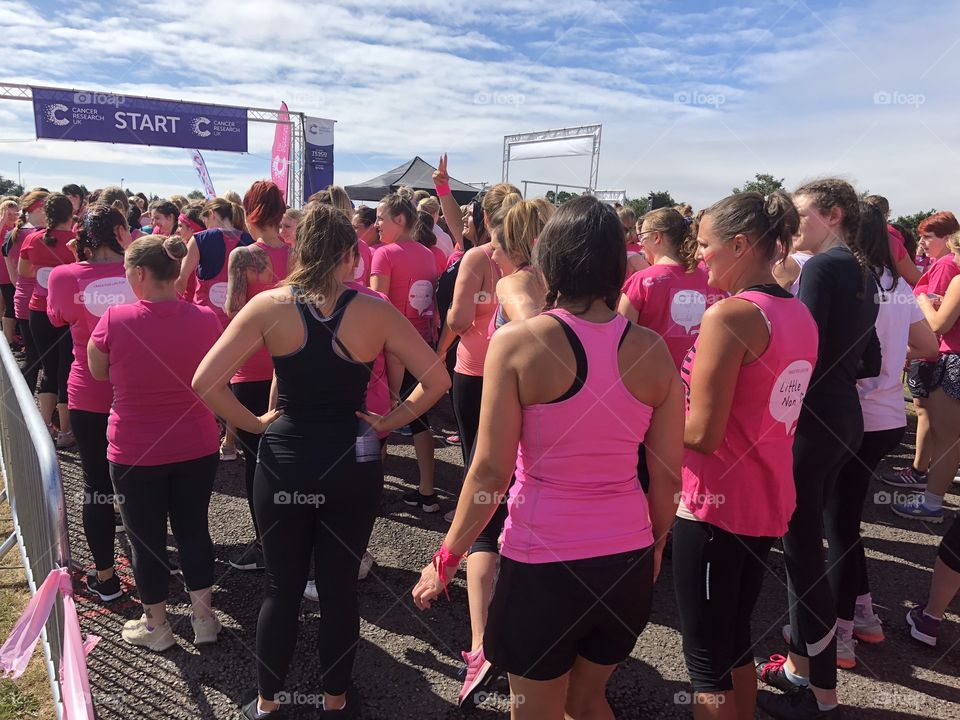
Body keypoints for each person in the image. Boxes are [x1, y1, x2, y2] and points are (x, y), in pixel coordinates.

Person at [413, 195, 682, 720]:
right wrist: (653, 547)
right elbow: (668, 476)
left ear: (550, 258)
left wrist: (447, 558)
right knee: (586, 701)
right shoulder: (653, 351)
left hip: (543, 563)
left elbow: (489, 473)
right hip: (625, 561)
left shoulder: (518, 344)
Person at [192, 202, 449, 718]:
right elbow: (437, 379)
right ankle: (335, 702)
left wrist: (254, 425)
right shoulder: (375, 309)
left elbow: (205, 382)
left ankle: (267, 703)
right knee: (338, 590)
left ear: (300, 251)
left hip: (285, 458)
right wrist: (389, 421)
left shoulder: (269, 305)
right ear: (351, 254)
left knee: (281, 588)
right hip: (351, 461)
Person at [674, 191, 818, 720]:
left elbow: (702, 433)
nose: (698, 255)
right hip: (765, 494)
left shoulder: (730, 315)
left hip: (716, 502)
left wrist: (638, 419)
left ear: (739, 245)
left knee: (704, 657)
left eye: (705, 244)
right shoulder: (798, 312)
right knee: (733, 637)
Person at [756, 179, 880, 720]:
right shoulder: (865, 270)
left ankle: (820, 694)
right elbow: (872, 359)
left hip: (810, 421)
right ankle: (801, 671)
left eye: (802, 213)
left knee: (802, 554)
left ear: (832, 215)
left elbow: (797, 348)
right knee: (805, 546)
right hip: (844, 416)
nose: (793, 223)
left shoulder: (824, 268)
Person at [87, 235, 223, 652]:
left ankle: (156, 625)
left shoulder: (115, 319)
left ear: (141, 273)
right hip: (196, 443)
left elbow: (97, 371)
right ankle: (204, 618)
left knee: (144, 538)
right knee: (194, 529)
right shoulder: (206, 318)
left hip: (136, 448)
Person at [824, 203, 937, 667]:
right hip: (889, 417)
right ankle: (865, 613)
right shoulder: (899, 286)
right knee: (846, 520)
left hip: (853, 415)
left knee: (838, 525)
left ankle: (840, 634)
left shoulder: (848, 282)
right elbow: (927, 345)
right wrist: (892, 360)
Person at [454, 198, 548, 710]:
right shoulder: (561, 284)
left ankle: (481, 645)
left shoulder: (519, 287)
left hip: (512, 416)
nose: (491, 252)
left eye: (497, 243)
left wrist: (444, 557)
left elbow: (531, 336)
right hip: (548, 428)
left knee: (486, 515)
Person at [47, 204, 137, 602]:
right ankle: (156, 564)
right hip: (139, 392)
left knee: (97, 485)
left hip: (89, 393)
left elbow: (56, 317)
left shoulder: (66, 276)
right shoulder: (143, 270)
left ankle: (106, 578)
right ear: (120, 232)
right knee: (144, 481)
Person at [224, 181, 292, 571]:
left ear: (250, 212)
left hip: (252, 367)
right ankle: (291, 536)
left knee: (256, 459)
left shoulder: (244, 256)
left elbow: (235, 311)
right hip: (291, 364)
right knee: (288, 455)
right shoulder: (298, 253)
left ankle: (266, 543)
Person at [370, 193, 442, 512]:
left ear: (399, 220)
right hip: (421, 346)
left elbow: (376, 306)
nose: (377, 224)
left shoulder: (384, 254)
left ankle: (371, 491)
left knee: (380, 417)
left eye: (381, 218)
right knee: (418, 418)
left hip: (389, 350)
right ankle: (427, 490)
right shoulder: (427, 254)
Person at [883, 211, 960, 491]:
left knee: (930, 415)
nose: (922, 243)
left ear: (948, 238)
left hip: (937, 351)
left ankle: (920, 473)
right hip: (936, 349)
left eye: (929, 237)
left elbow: (934, 320)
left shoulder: (945, 265)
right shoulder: (944, 263)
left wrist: (913, 346)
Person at [618, 207, 712, 369]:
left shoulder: (642, 281)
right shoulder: (710, 279)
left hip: (651, 376)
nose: (640, 243)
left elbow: (621, 338)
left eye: (642, 236)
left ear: (656, 237)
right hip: (695, 376)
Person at [18, 193, 77, 446]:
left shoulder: (32, 239)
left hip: (39, 311)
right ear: (71, 214)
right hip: (68, 313)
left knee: (48, 369)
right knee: (66, 369)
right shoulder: (77, 242)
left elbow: (23, 271)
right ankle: (65, 430)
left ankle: (44, 428)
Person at [4, 190, 48, 393]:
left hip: (23, 299)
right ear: (38, 209)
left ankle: (23, 398)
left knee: (33, 356)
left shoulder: (12, 235)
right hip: (41, 302)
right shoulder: (40, 236)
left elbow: (15, 277)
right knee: (44, 359)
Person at [0, 198, 19, 346]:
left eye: (15, 213)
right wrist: (3, 219)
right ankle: (7, 340)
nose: (12, 217)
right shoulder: (2, 228)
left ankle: (11, 336)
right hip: (4, 274)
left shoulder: (17, 228)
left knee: (14, 306)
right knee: (9, 307)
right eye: (9, 214)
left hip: (16, 271)